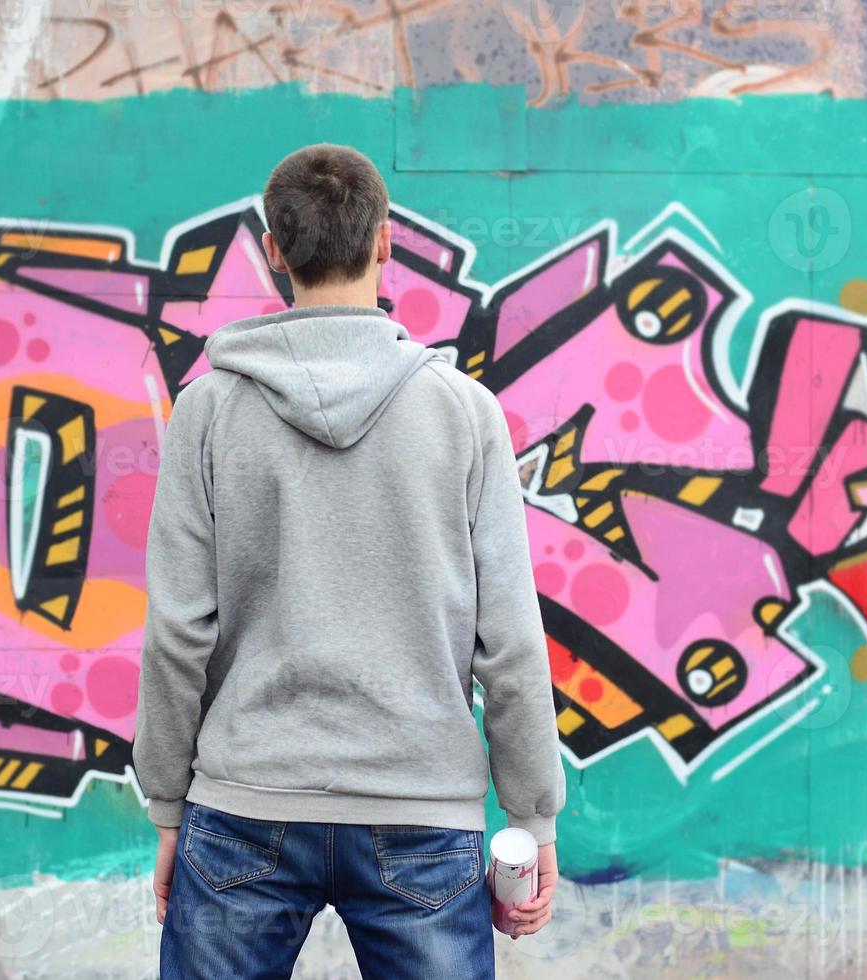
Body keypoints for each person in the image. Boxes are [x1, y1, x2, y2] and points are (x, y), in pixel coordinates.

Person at [133, 143, 566, 979]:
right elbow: (509, 639)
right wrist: (533, 817)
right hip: (423, 811)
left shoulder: (209, 409)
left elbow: (178, 631)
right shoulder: (464, 413)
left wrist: (167, 809)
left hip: (244, 803)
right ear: (385, 243)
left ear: (274, 252)